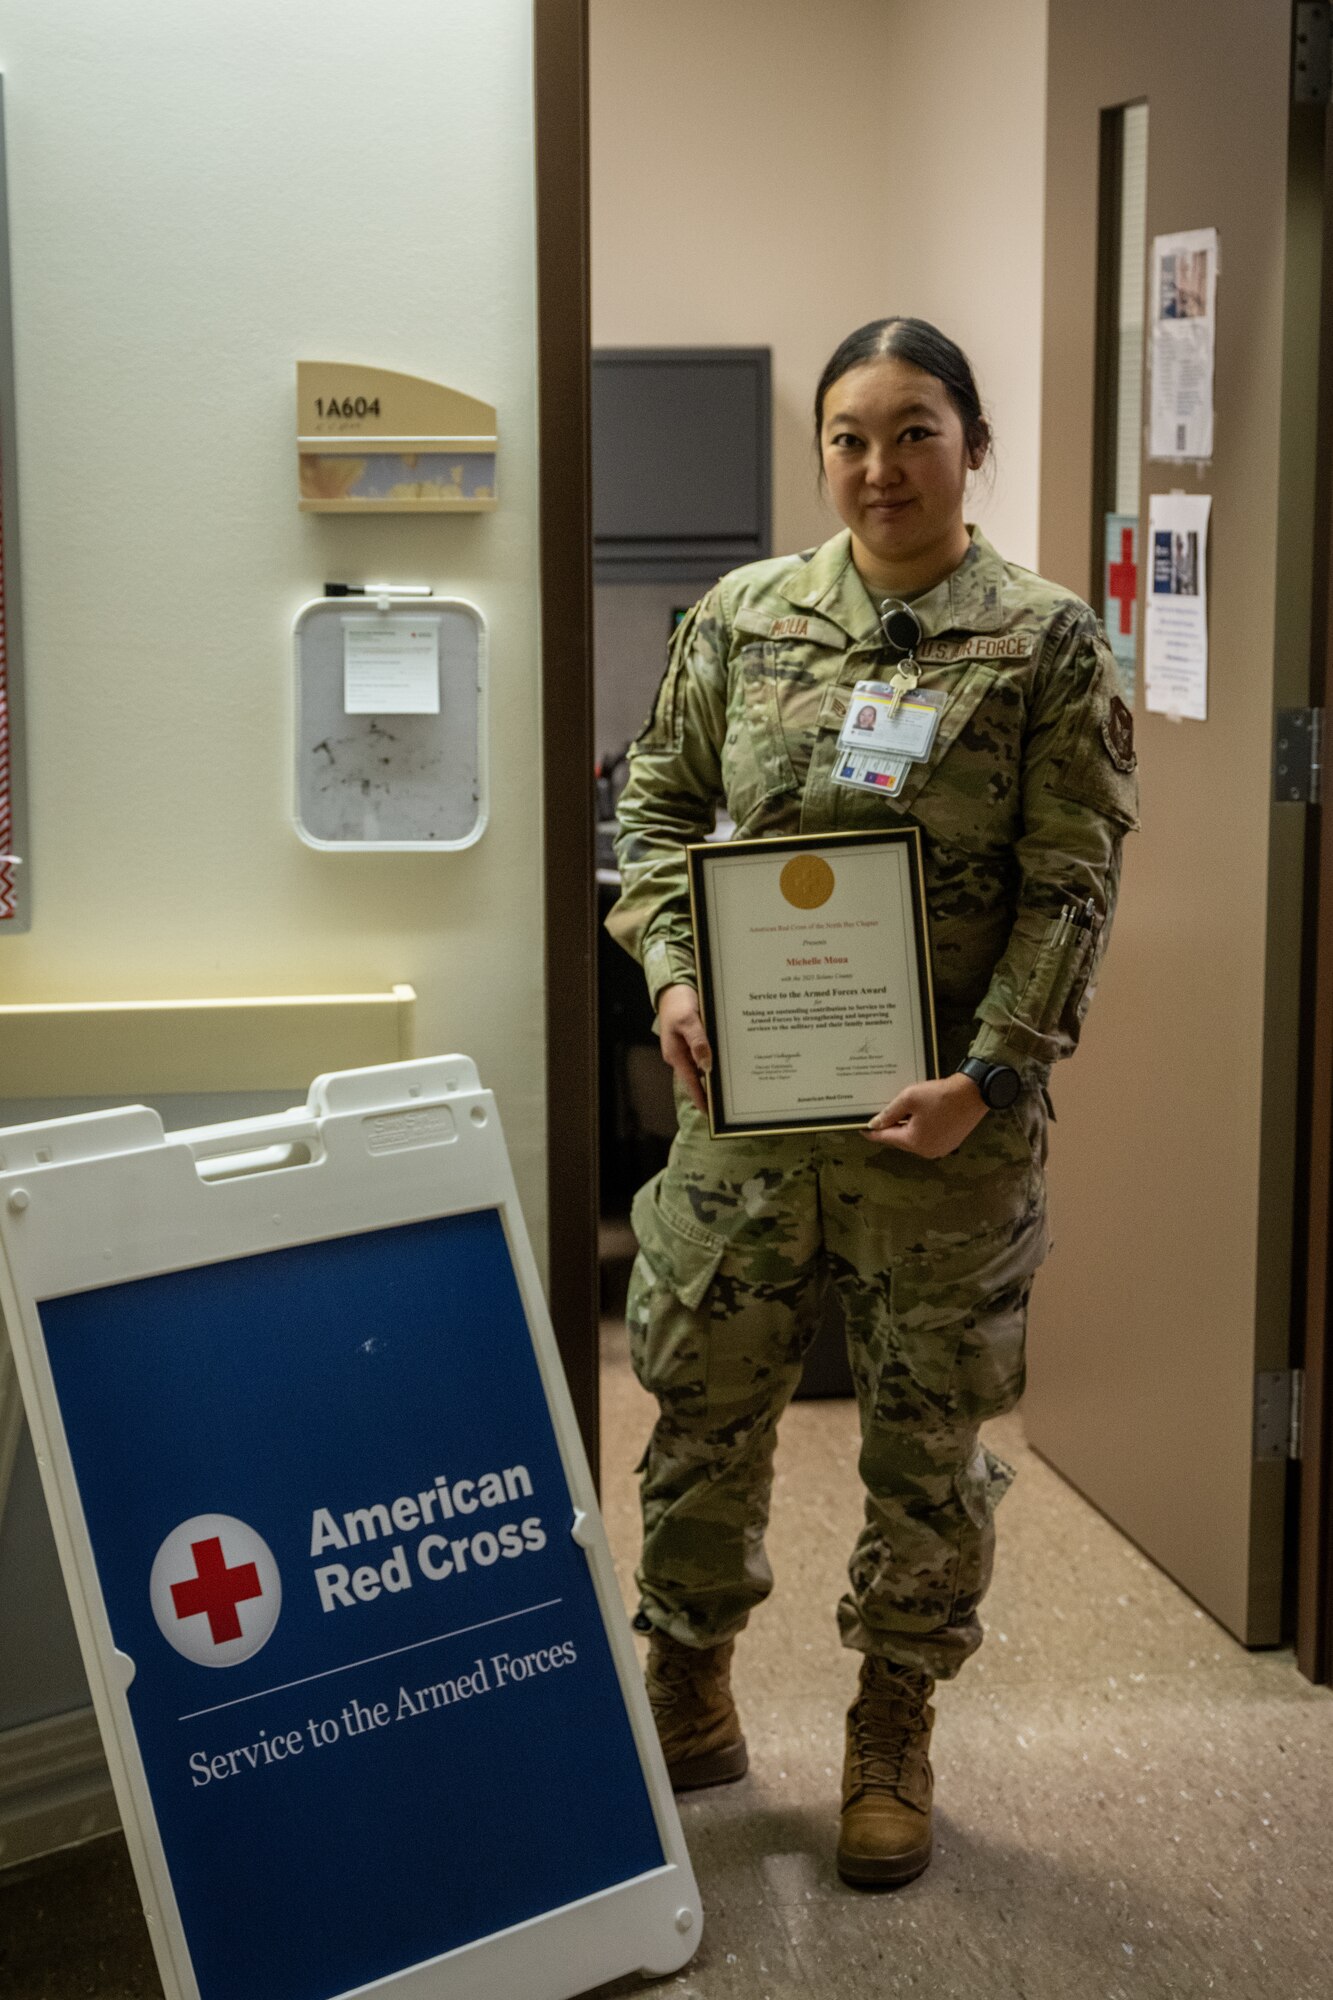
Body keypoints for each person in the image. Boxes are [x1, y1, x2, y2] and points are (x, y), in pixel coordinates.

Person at [606, 316, 1138, 1888]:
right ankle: (689, 1684)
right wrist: (675, 974)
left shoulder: (1043, 644)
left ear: (973, 443)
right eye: (847, 435)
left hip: (946, 1138)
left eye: (912, 431)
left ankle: (891, 1723)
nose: (876, 466)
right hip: (746, 1130)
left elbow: (1070, 884)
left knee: (926, 1440)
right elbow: (654, 803)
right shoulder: (742, 618)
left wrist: (989, 1076)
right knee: (700, 1410)